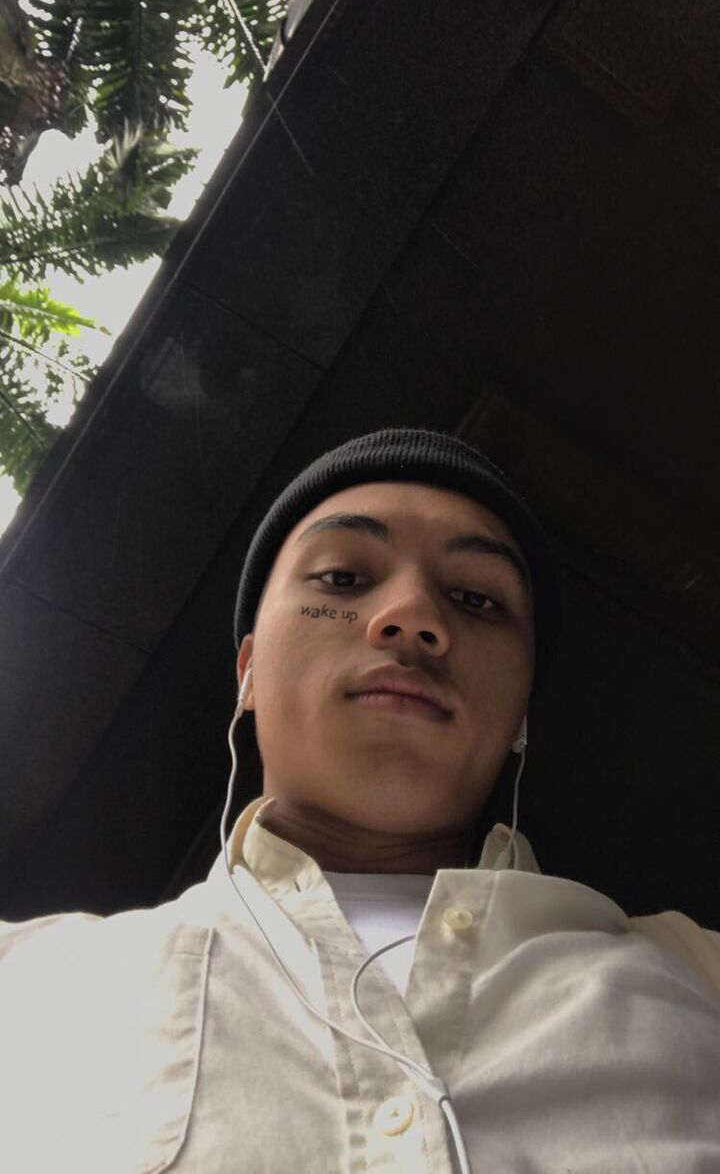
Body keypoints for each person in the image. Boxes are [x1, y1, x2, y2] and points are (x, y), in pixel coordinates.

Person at [2, 426, 719, 1174]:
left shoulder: (699, 974)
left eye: (476, 599)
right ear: (248, 671)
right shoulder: (28, 985)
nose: (413, 616)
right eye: (343, 579)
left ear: (521, 716)